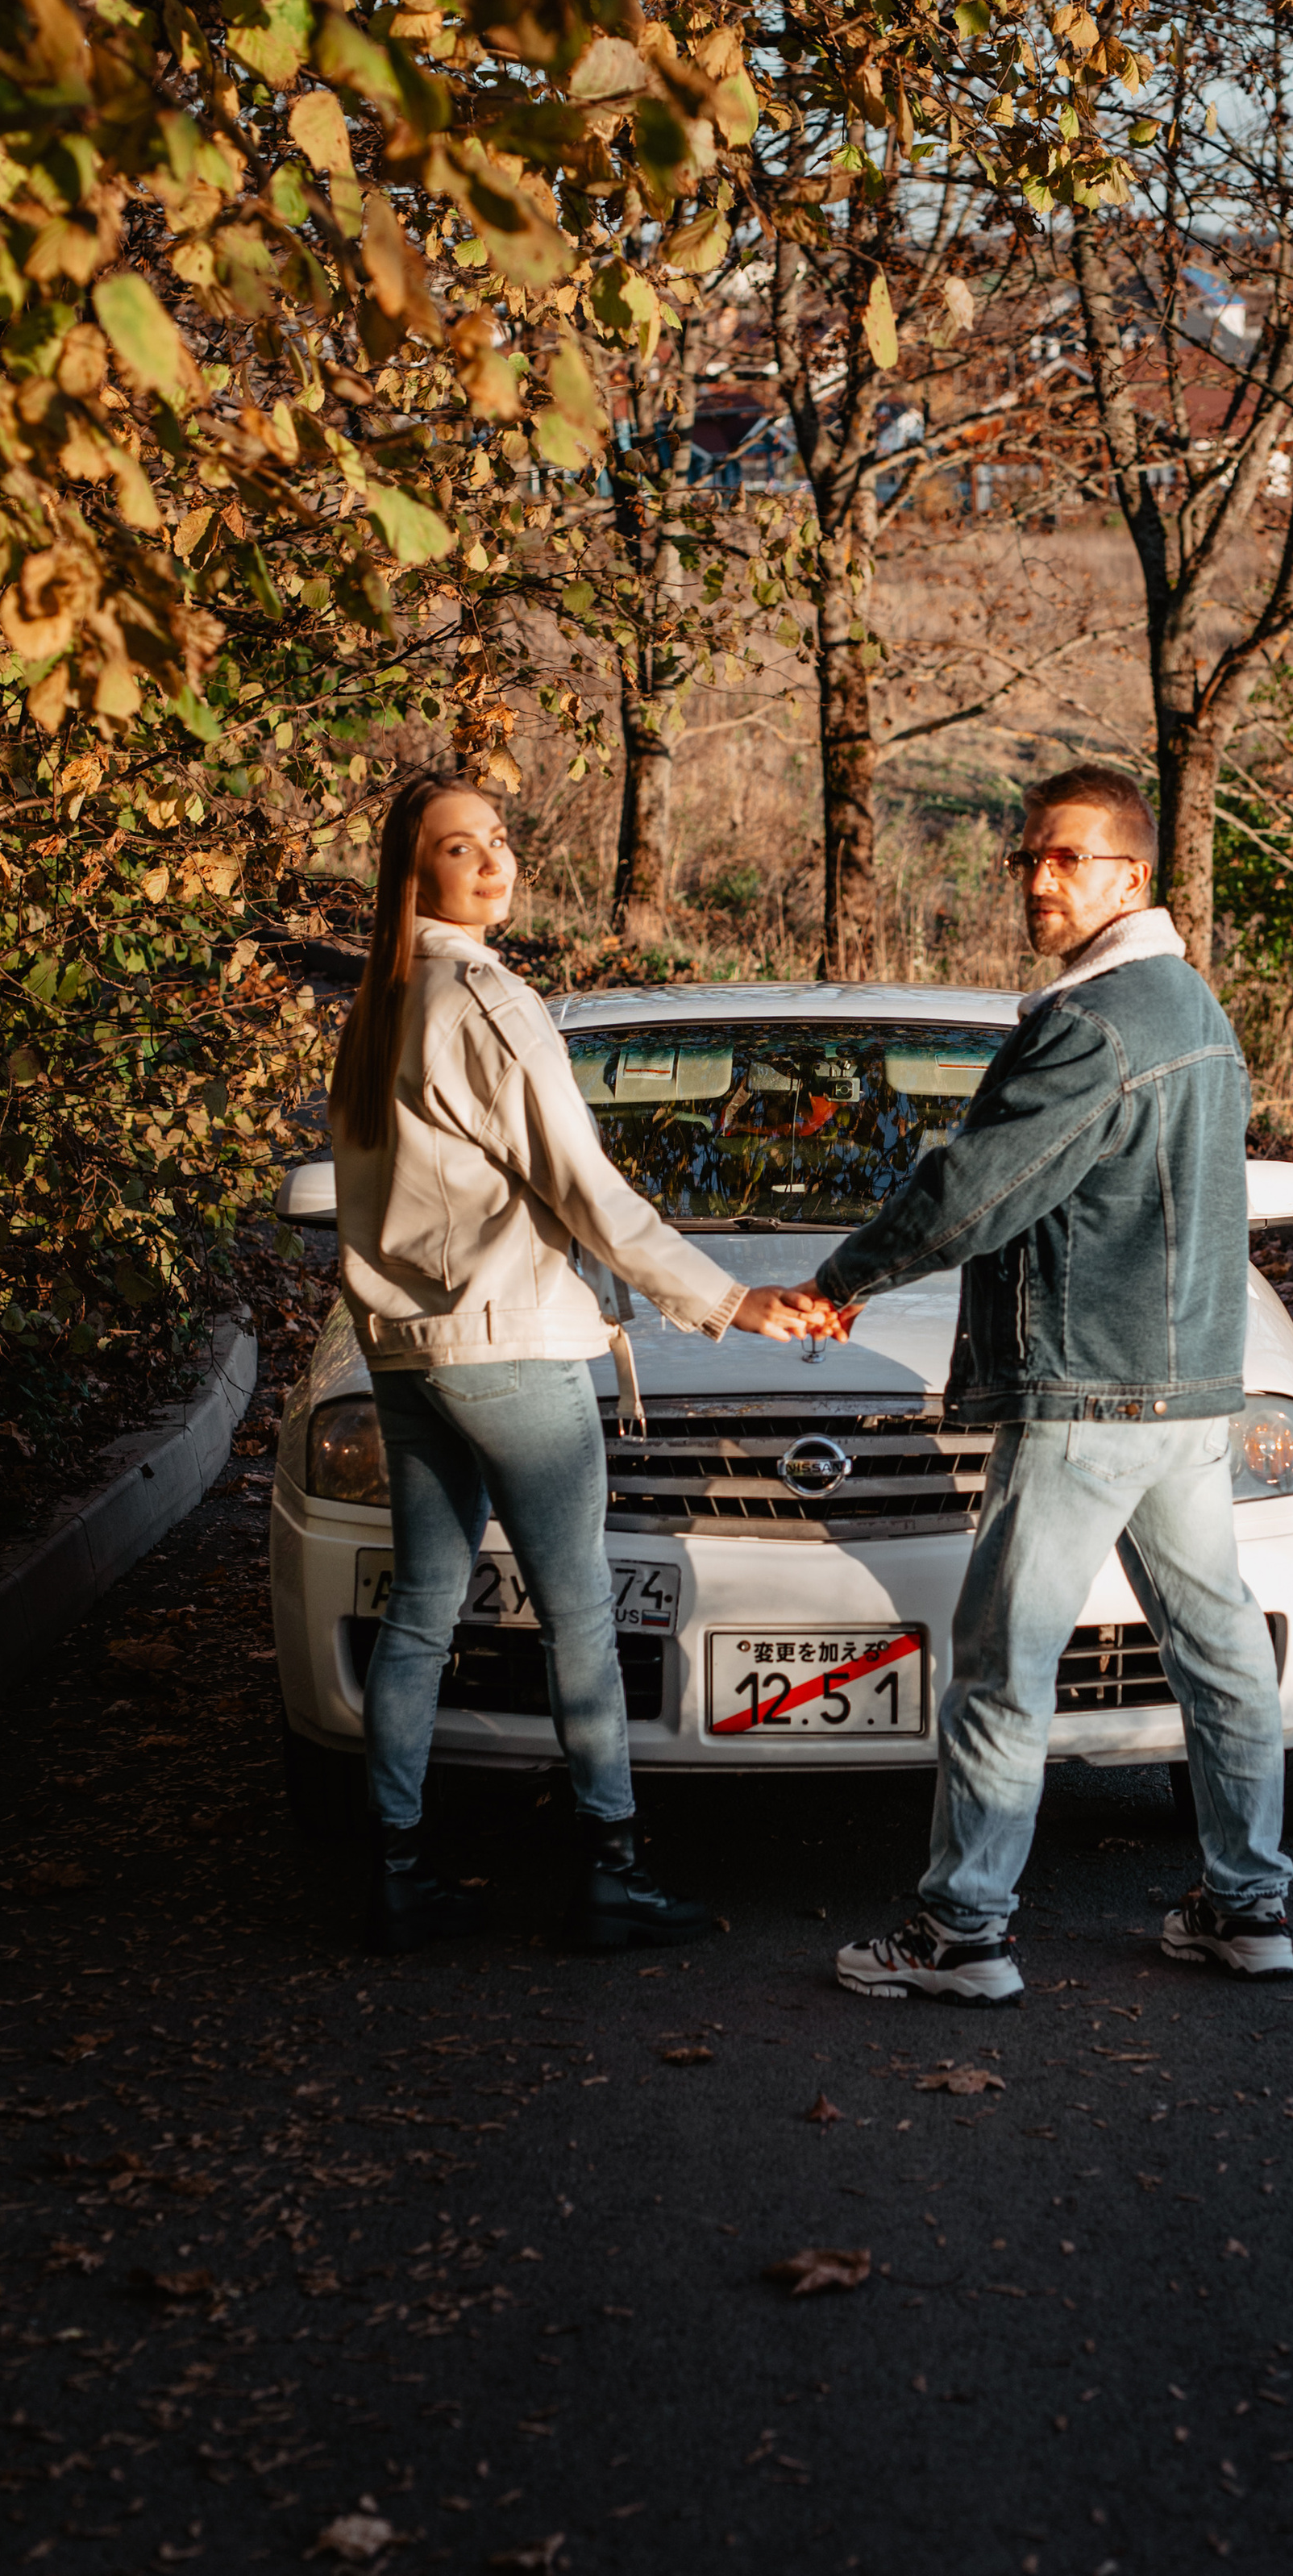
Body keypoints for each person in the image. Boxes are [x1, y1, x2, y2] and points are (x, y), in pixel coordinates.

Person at [801, 766, 1293, 2002]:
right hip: (1186, 1395)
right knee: (1220, 1653)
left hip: (1088, 1395)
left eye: (1066, 857)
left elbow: (976, 1187)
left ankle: (963, 1931)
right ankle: (1250, 1908)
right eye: (1026, 856)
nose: (1038, 877)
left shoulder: (1097, 1023)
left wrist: (852, 1273)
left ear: (1133, 875)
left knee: (1003, 1665)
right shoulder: (1197, 1012)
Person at [329, 772, 832, 1955]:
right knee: (580, 1616)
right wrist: (729, 1299)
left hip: (410, 1355)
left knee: (418, 1613)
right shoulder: (486, 1000)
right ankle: (609, 1870)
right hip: (511, 1353)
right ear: (416, 875)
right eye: (463, 847)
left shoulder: (379, 1006)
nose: (495, 861)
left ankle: (393, 1873)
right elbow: (588, 1190)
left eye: (501, 838)